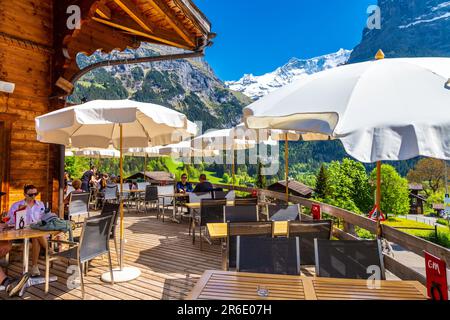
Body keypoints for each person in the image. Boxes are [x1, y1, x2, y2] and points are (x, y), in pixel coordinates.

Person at [7, 185, 47, 277]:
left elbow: (43, 218)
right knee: (36, 234)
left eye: (35, 194)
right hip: (21, 232)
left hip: (36, 231)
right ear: (25, 194)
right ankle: (48, 250)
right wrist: (18, 212)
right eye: (31, 194)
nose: (33, 196)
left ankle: (34, 267)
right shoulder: (17, 205)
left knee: (35, 236)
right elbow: (10, 221)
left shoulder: (40, 204)